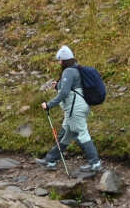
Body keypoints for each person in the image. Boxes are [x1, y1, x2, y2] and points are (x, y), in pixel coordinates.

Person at [39, 45, 104, 176]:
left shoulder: (68, 71)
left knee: (82, 134)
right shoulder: (75, 69)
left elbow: (64, 93)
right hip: (77, 107)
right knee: (65, 135)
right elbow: (70, 87)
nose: (59, 63)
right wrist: (58, 85)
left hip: (75, 109)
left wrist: (49, 104)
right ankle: (50, 160)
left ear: (63, 60)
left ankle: (95, 163)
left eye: (59, 60)